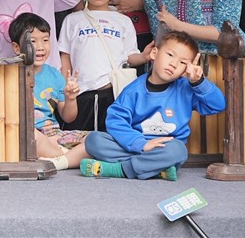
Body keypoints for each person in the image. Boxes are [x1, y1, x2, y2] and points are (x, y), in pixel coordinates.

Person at [81, 31, 226, 180]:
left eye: (183, 62)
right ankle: (156, 169)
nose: (173, 64)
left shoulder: (186, 89)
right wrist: (141, 144)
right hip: (134, 145)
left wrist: (198, 82)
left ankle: (120, 169)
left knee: (178, 150)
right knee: (94, 140)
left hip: (164, 149)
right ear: (154, 53)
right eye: (170, 55)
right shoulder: (133, 90)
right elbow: (115, 120)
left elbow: (218, 105)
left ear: (186, 69)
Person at [58, 0, 153, 131]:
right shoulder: (72, 20)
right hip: (80, 94)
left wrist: (144, 57)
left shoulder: (123, 21)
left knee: (112, 140)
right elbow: (66, 58)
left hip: (114, 93)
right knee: (79, 140)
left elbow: (129, 57)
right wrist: (64, 90)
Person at [8, 13, 89, 171]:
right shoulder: (8, 74)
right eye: (32, 41)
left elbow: (68, 117)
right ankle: (67, 157)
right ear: (16, 47)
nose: (40, 47)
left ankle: (56, 159)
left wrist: (70, 98)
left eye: (45, 40)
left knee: (97, 140)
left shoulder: (54, 75)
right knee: (31, 136)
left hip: (54, 134)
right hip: (28, 133)